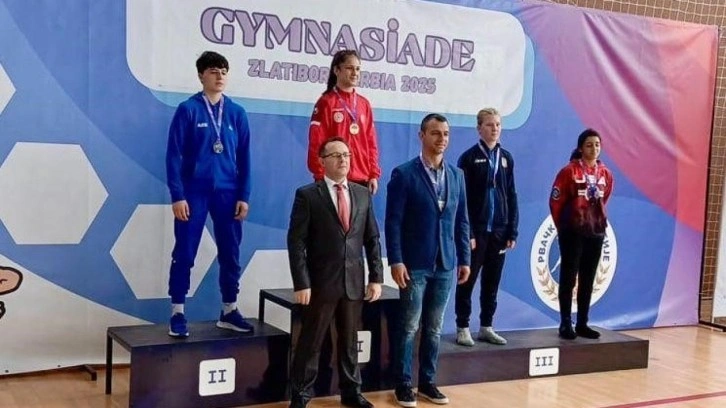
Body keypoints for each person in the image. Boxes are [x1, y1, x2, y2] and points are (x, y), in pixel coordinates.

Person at [287, 137, 384, 408]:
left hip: (353, 281)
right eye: (336, 155)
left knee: (350, 341)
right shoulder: (308, 195)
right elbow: (296, 242)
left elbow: (372, 239)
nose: (343, 159)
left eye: (346, 154)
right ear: (322, 161)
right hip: (320, 283)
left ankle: (351, 392)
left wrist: (376, 277)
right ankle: (301, 394)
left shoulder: (362, 194)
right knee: (311, 341)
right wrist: (301, 282)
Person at [385, 114, 471, 407]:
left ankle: (428, 382)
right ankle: (403, 384)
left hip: (445, 263)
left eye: (445, 133)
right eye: (435, 133)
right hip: (414, 264)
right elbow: (393, 222)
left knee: (434, 328)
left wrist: (465, 258)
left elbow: (462, 221)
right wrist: (396, 260)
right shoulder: (404, 174)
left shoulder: (457, 176)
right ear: (421, 136)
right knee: (409, 326)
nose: (441, 139)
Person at [165, 51, 253, 337]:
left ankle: (229, 310)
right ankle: (177, 312)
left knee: (231, 253)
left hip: (228, 193)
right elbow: (173, 155)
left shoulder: (237, 113)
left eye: (224, 71)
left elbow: (245, 158)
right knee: (185, 251)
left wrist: (244, 195)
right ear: (201, 75)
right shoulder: (188, 109)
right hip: (194, 192)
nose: (220, 76)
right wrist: (178, 195)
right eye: (214, 71)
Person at [454, 108, 519, 346]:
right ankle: (462, 327)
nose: (495, 129)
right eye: (490, 125)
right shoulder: (469, 158)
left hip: (499, 232)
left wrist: (512, 229)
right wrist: (468, 232)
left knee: (492, 282)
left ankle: (486, 326)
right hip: (477, 232)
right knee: (467, 281)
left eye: (498, 124)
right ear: (479, 128)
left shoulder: (506, 158)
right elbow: (462, 200)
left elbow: (511, 194)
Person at [549, 128, 614, 340]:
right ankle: (565, 323)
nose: (594, 149)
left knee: (588, 278)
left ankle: (583, 323)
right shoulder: (569, 172)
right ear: (580, 148)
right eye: (589, 145)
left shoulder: (605, 173)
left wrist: (595, 220)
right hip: (572, 232)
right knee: (568, 278)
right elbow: (556, 201)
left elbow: (604, 199)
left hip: (595, 232)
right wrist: (563, 226)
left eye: (597, 144)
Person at [307, 49, 381, 194]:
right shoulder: (326, 102)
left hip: (361, 178)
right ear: (336, 70)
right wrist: (321, 175)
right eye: (349, 68)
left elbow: (371, 143)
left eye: (358, 69)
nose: (355, 73)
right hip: (332, 179)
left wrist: (373, 174)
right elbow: (316, 143)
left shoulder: (364, 104)